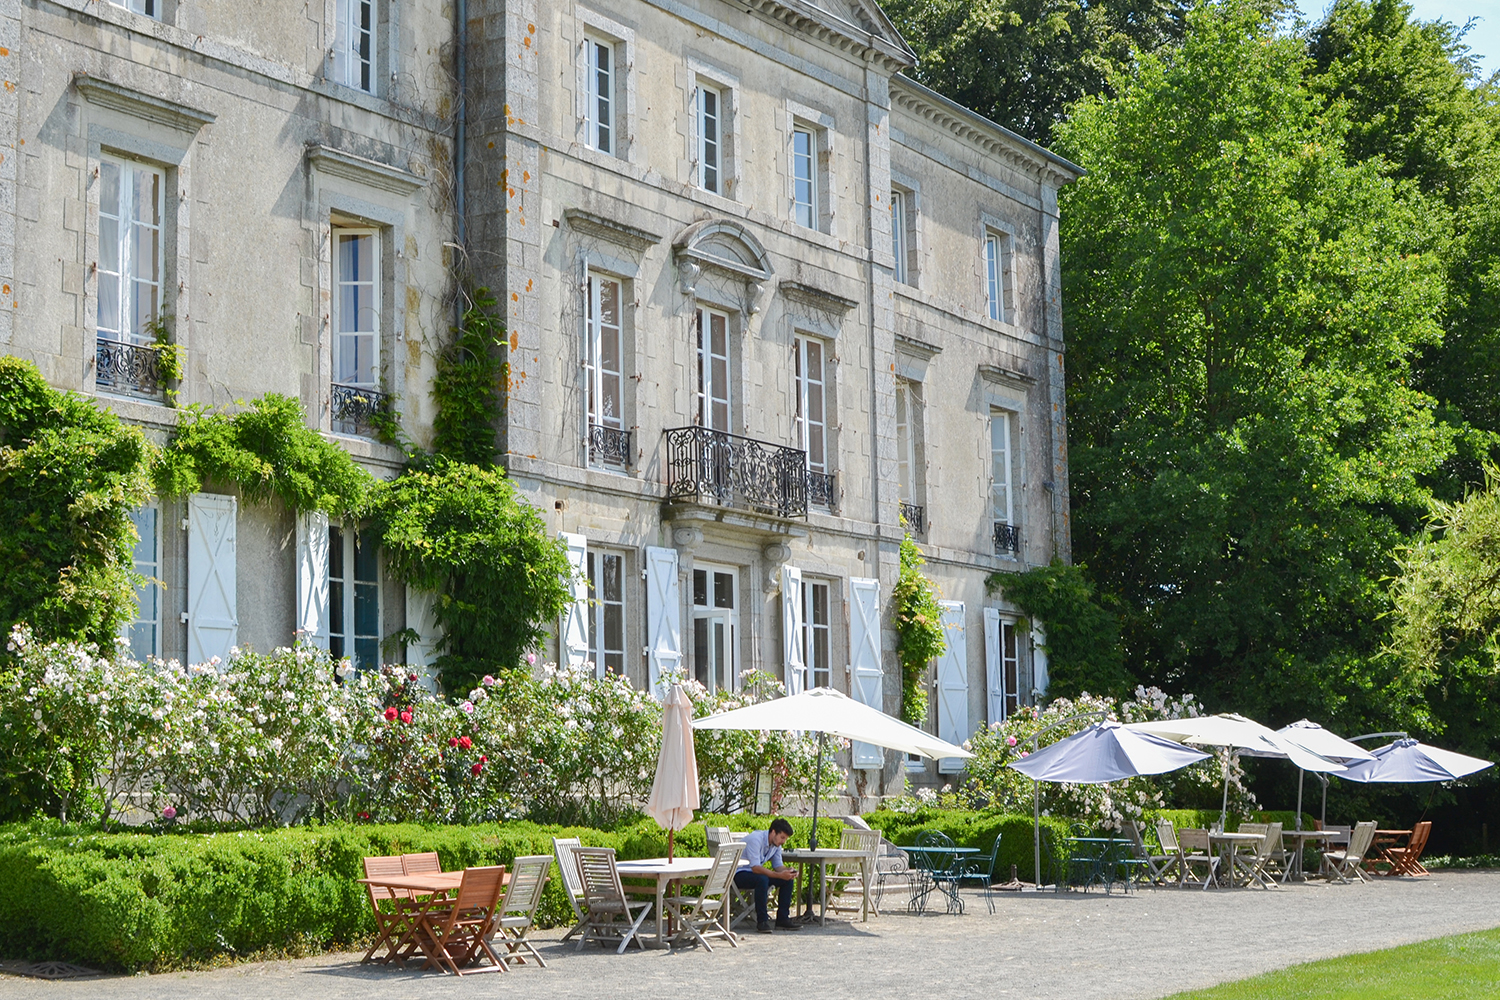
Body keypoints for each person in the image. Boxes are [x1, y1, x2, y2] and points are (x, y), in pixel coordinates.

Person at [735, 818, 802, 933]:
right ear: (773, 832)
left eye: (785, 838)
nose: (783, 841)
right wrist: (778, 875)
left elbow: (778, 866)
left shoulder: (775, 845)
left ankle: (782, 919)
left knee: (787, 880)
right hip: (738, 873)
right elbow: (755, 868)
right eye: (782, 837)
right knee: (762, 879)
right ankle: (762, 921)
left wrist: (788, 871)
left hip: (754, 873)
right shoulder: (756, 839)